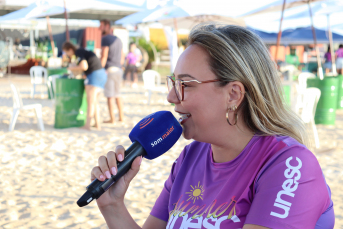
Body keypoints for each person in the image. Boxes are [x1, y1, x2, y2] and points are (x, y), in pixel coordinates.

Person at [90, 24, 334, 228]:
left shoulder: (289, 165)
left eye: (185, 84)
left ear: (233, 95)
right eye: (172, 83)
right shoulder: (190, 157)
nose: (171, 98)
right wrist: (113, 206)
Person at [62, 42, 106, 130]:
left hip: (94, 75)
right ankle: (97, 124)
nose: (67, 55)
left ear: (70, 49)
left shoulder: (78, 52)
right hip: (102, 74)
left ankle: (87, 125)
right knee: (94, 101)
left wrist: (70, 68)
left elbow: (84, 66)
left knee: (90, 101)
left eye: (67, 53)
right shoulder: (82, 50)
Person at [99, 19, 125, 123]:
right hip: (118, 69)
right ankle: (121, 117)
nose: (99, 28)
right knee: (118, 94)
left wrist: (100, 69)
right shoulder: (118, 40)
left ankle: (112, 119)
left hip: (110, 69)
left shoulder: (105, 39)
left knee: (110, 95)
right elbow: (122, 56)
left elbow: (104, 56)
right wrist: (120, 65)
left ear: (107, 26)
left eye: (101, 25)